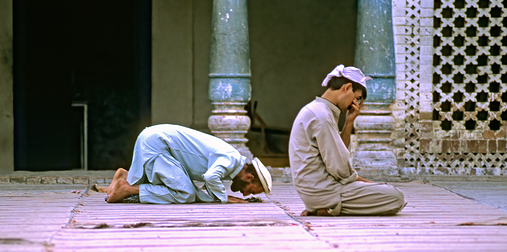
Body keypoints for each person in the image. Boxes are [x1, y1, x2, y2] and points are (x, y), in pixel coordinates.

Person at [289, 65, 406, 216]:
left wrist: (349, 122)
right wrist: (369, 183)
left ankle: (325, 207)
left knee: (387, 191)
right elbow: (341, 170)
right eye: (356, 98)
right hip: (324, 191)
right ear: (347, 87)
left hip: (318, 190)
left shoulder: (319, 110)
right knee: (395, 197)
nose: (355, 104)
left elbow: (337, 154)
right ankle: (328, 207)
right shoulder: (321, 116)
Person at [106, 124, 272, 204]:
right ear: (249, 177)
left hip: (155, 139)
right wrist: (224, 199)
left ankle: (125, 177)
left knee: (187, 190)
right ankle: (128, 189)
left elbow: (206, 187)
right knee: (185, 193)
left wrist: (217, 197)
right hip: (157, 143)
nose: (244, 194)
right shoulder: (231, 159)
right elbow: (210, 177)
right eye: (250, 190)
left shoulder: (231, 160)